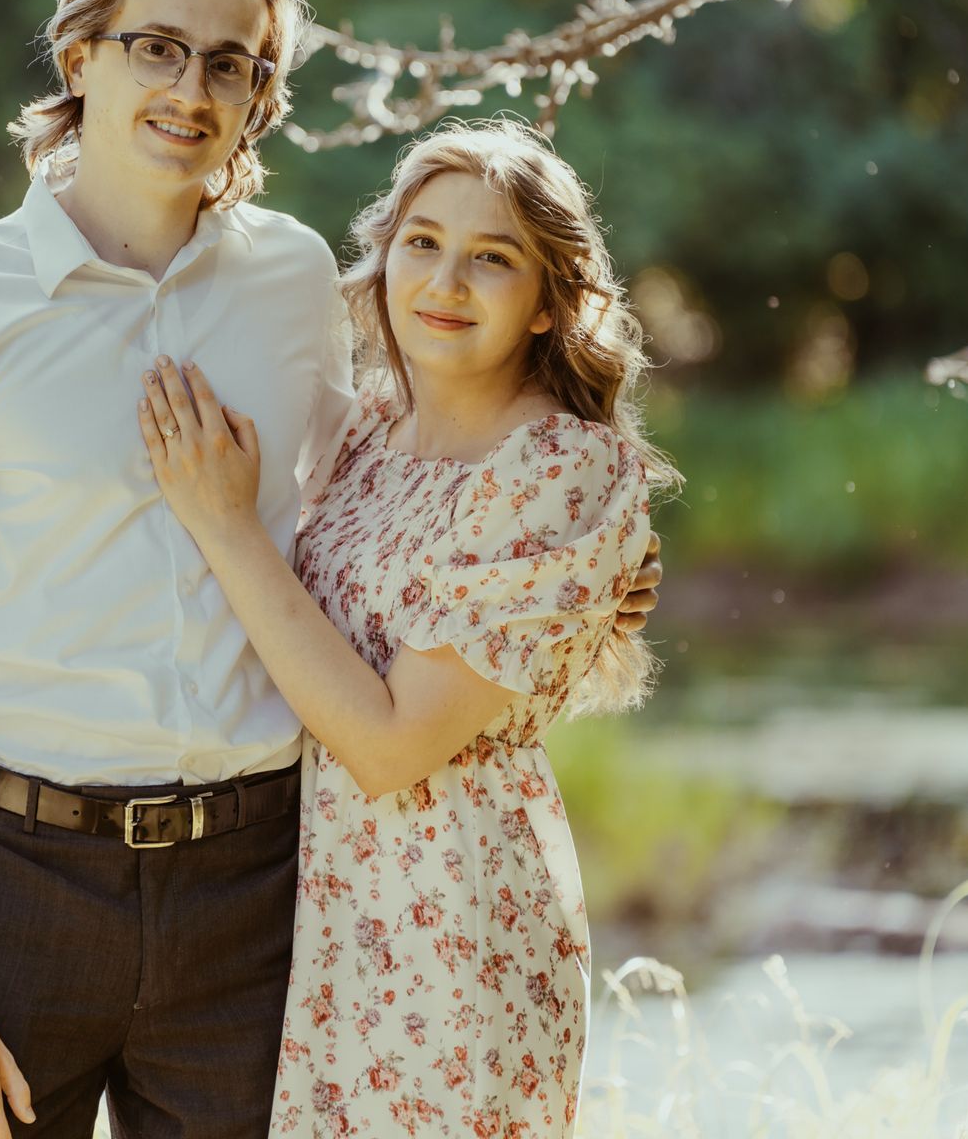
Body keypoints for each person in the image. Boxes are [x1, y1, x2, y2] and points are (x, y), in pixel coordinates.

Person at [0, 0, 662, 1139]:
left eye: (234, 63)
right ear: (79, 61)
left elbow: (384, 489)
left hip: (259, 892)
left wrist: (591, 571)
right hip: (17, 879)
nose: (193, 89)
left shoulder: (293, 281)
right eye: (157, 48)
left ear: (264, 96)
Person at [134, 118, 677, 1136]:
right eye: (422, 242)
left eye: (493, 259)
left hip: (446, 926)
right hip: (303, 904)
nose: (446, 282)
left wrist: (223, 521)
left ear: (551, 304)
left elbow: (388, 745)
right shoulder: (365, 430)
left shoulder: (559, 469)